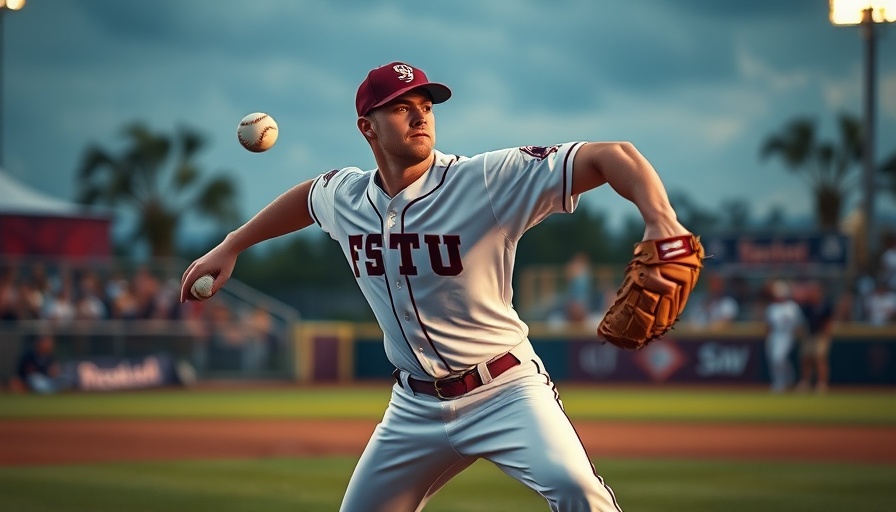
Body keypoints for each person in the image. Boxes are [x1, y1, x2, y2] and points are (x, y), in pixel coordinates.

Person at [181, 61, 694, 511]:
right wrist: (232, 245)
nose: (420, 114)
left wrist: (662, 221)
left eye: (425, 104)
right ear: (368, 128)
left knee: (576, 490)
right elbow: (309, 196)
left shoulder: (484, 181)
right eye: (400, 107)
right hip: (414, 408)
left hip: (504, 390)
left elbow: (613, 154)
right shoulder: (349, 196)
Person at [795, 280, 835, 394]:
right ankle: (805, 381)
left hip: (821, 335)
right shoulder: (807, 306)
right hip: (809, 335)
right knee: (805, 358)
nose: (812, 293)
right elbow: (802, 321)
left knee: (820, 358)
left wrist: (826, 336)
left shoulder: (825, 304)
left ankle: (822, 383)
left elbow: (828, 322)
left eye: (814, 291)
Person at [763, 280, 803, 393]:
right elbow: (768, 326)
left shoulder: (793, 307)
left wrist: (796, 338)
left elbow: (799, 325)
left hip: (787, 335)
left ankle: (785, 381)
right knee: (774, 360)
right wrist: (767, 338)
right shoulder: (772, 308)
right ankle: (779, 382)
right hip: (774, 335)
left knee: (779, 358)